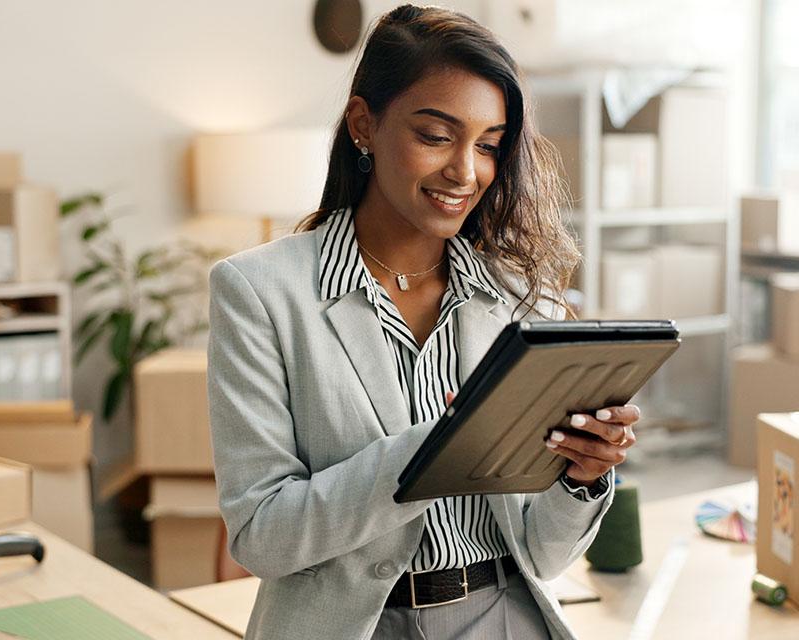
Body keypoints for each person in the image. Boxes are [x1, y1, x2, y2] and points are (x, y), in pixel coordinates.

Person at [207, 5, 641, 639]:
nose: (466, 173)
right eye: (437, 137)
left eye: (489, 146)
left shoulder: (523, 297)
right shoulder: (259, 292)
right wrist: (439, 447)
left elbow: (545, 556)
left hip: (505, 616)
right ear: (364, 124)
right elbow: (262, 538)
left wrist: (582, 478)